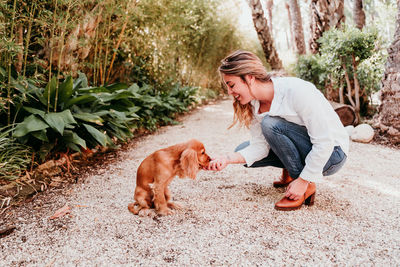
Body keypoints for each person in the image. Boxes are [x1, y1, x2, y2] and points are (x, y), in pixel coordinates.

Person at [207, 50, 349, 211]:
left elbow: (324, 141)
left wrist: (303, 180)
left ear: (249, 78)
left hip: (333, 154)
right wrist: (226, 159)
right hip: (309, 148)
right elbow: (260, 146)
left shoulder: (296, 91)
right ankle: (291, 170)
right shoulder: (255, 105)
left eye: (231, 85)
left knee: (271, 124)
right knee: (241, 151)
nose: (229, 92)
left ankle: (305, 184)